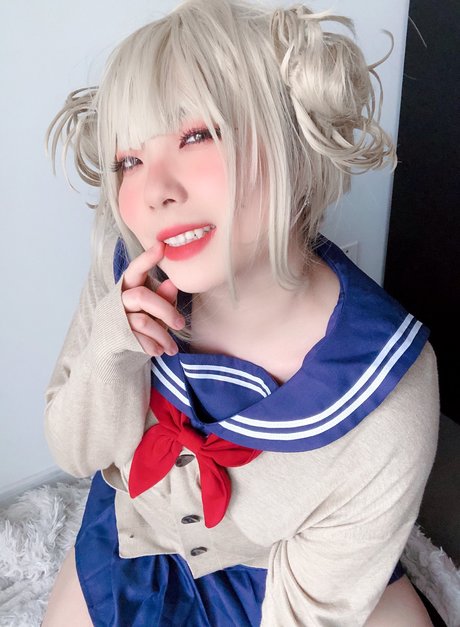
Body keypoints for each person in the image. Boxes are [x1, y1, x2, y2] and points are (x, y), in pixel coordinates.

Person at [42, 0, 439, 625]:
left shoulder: (391, 393)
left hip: (280, 572)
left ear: (289, 138)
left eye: (196, 135)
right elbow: (77, 452)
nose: (154, 191)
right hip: (140, 542)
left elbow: (311, 612)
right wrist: (111, 351)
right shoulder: (130, 277)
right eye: (129, 160)